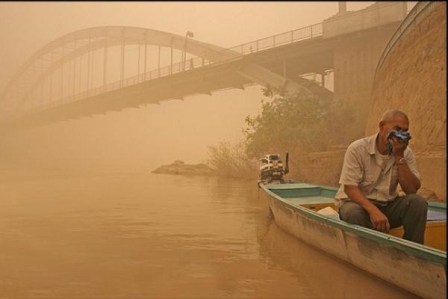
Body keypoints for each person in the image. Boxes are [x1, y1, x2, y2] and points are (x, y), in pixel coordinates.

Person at [335, 109, 427, 244]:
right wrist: (373, 211)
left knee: (418, 203)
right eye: (397, 129)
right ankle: (367, 254)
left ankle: (412, 254)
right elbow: (350, 188)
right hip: (358, 206)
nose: (400, 134)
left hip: (387, 206)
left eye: (404, 131)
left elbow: (411, 190)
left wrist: (399, 156)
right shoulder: (357, 149)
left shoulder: (406, 153)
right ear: (381, 126)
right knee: (353, 213)